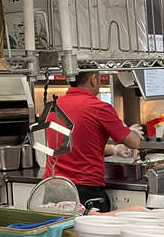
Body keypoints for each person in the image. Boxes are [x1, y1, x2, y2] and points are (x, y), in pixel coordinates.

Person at [40, 70, 142, 211]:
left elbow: (75, 143)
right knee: (90, 232)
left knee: (59, 231)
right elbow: (134, 142)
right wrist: (134, 132)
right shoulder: (98, 107)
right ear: (94, 79)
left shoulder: (53, 106)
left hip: (53, 188)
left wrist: (114, 149)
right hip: (84, 190)